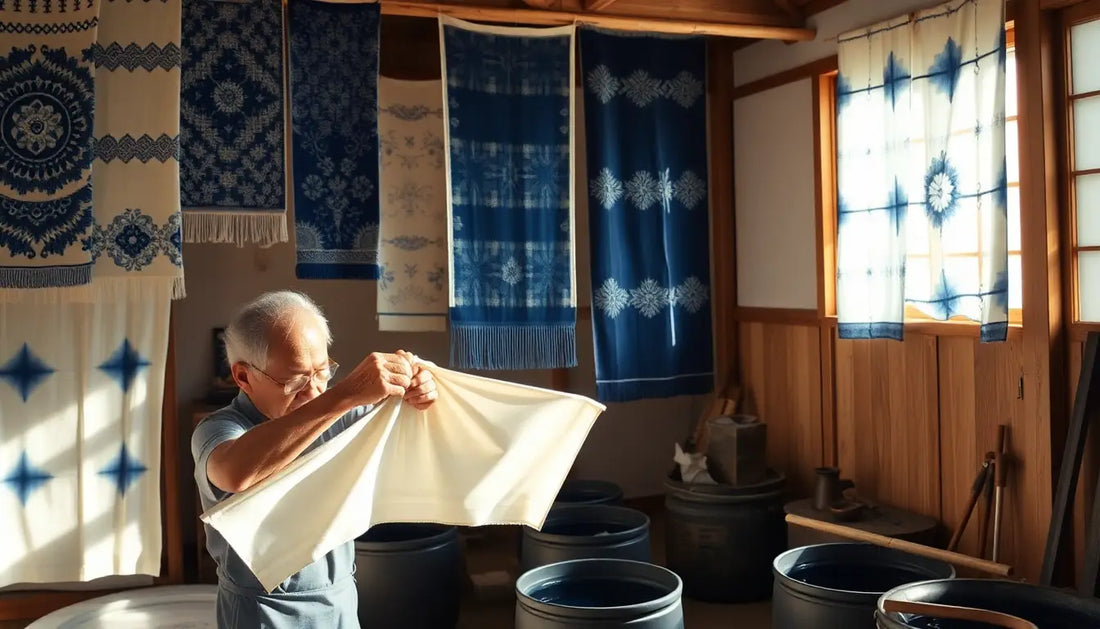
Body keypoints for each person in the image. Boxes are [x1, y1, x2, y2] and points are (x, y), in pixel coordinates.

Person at [191, 290, 438, 628]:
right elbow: (235, 473)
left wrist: (419, 388)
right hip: (264, 614)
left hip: (339, 603)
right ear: (243, 377)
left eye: (323, 371)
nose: (315, 391)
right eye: (295, 380)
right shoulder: (219, 428)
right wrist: (344, 395)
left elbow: (417, 436)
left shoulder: (341, 411)